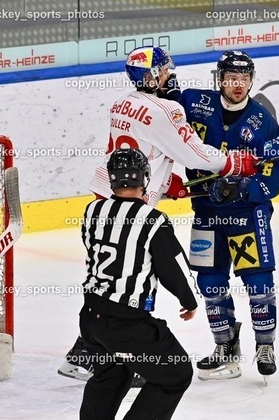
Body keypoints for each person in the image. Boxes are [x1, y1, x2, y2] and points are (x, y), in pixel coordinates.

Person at [59, 45, 260, 382]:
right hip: (134, 209)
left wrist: (166, 183)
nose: (171, 75)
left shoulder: (122, 103)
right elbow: (195, 154)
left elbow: (143, 149)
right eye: (165, 71)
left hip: (105, 199)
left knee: (111, 278)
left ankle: (84, 355)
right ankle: (107, 359)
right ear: (152, 76)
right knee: (135, 281)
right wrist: (237, 162)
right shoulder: (166, 110)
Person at [174, 50, 279, 380]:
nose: (238, 85)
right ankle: (225, 347)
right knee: (209, 284)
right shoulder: (195, 103)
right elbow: (164, 106)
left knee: (258, 283)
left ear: (252, 80)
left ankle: (265, 346)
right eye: (231, 78)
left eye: (244, 78)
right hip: (206, 213)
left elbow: (274, 177)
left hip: (247, 216)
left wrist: (243, 189)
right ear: (220, 79)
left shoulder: (263, 122)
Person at [79, 147, 198, 420]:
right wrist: (189, 301)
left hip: (91, 320)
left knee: (111, 374)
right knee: (176, 373)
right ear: (144, 179)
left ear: (111, 179)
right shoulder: (154, 220)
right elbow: (173, 268)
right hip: (128, 324)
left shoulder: (93, 210)